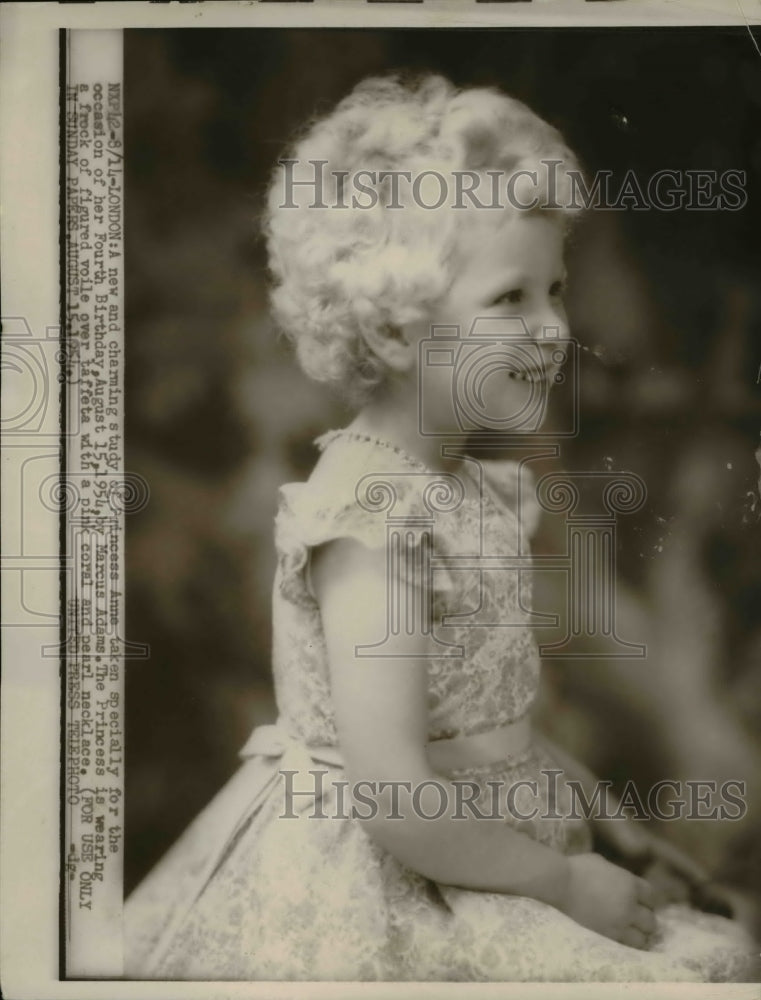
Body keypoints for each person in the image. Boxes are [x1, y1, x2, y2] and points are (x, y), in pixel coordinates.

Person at [125, 73, 757, 982]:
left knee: (723, 949)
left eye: (556, 289)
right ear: (393, 327)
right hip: (390, 881)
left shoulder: (466, 487)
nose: (552, 330)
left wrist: (614, 830)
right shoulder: (374, 515)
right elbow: (390, 791)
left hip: (491, 838)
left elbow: (493, 729)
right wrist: (562, 884)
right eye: (510, 299)